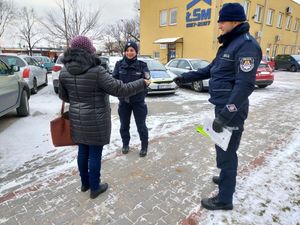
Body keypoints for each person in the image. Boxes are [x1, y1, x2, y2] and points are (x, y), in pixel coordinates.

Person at [174, 3, 262, 210]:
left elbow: (245, 85)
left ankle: (224, 199)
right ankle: (226, 179)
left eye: (222, 21)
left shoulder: (246, 45)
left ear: (234, 21)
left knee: (227, 155)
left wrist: (224, 115)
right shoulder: (230, 45)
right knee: (224, 149)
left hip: (231, 111)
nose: (219, 25)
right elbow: (211, 69)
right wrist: (184, 78)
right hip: (222, 107)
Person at [58, 36, 150, 199]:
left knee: (82, 151)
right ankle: (95, 187)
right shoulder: (97, 71)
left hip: (77, 119)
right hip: (96, 119)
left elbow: (64, 96)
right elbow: (120, 89)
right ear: (89, 50)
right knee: (94, 153)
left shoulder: (64, 71)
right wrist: (142, 83)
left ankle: (85, 184)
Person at [113, 41, 150, 157]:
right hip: (124, 102)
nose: (129, 52)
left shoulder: (142, 65)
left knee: (141, 126)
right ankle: (125, 144)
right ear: (125, 52)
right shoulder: (119, 65)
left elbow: (147, 81)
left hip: (138, 102)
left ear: (136, 52)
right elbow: (114, 81)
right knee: (124, 125)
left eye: (132, 50)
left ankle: (144, 146)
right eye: (127, 50)